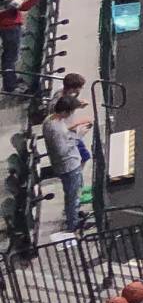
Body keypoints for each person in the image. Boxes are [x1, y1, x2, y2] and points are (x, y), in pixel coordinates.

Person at [41, 90, 90, 230]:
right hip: (68, 166)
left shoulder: (50, 119)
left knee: (74, 193)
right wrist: (78, 135)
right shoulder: (56, 129)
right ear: (65, 111)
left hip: (67, 164)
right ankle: (73, 223)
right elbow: (62, 150)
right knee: (72, 195)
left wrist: (74, 130)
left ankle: (74, 214)